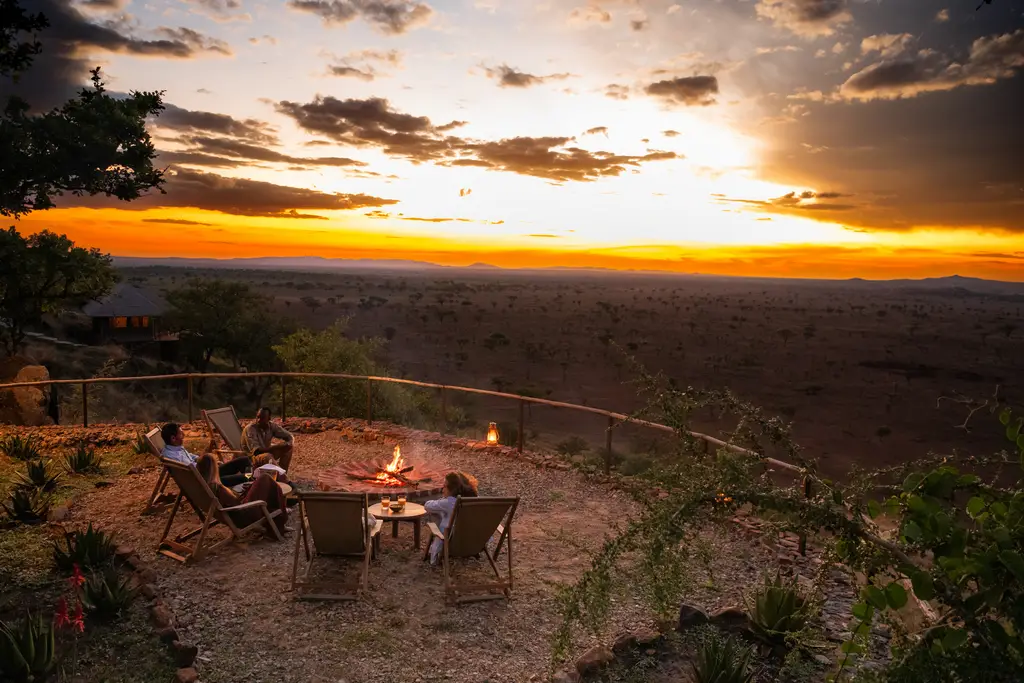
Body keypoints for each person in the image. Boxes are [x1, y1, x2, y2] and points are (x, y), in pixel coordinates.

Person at [160, 423, 280, 487]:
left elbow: (192, 457)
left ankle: (248, 478)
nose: (184, 436)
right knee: (250, 476)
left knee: (243, 460)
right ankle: (250, 480)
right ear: (173, 438)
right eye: (181, 434)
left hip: (208, 472)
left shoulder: (174, 449)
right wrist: (208, 462)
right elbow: (192, 469)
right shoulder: (172, 456)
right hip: (208, 481)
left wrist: (207, 461)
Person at [195, 452, 287, 535]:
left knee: (262, 482)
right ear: (214, 469)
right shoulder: (217, 488)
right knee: (265, 478)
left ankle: (278, 518)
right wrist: (247, 494)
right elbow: (236, 505)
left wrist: (249, 490)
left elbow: (231, 503)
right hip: (244, 516)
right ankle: (280, 519)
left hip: (236, 513)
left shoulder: (204, 487)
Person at [423, 471, 477, 566]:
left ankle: (436, 552)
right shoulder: (476, 501)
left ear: (452, 489)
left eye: (444, 486)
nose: (442, 489)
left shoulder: (449, 502)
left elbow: (427, 506)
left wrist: (442, 500)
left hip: (453, 544)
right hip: (474, 543)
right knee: (444, 514)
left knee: (436, 514)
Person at [241, 408, 294, 472]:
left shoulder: (271, 426)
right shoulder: (250, 429)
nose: (258, 420)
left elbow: (289, 436)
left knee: (288, 449)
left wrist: (288, 443)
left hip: (266, 452)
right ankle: (281, 476)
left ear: (268, 419)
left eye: (262, 418)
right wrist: (277, 446)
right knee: (267, 456)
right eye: (258, 417)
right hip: (252, 457)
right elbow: (257, 451)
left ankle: (282, 474)